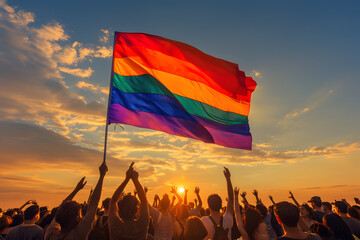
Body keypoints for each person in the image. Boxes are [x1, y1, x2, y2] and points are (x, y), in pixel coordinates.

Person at [45, 162, 107, 240]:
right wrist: (102, 176)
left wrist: (76, 190)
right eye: (80, 214)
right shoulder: (78, 235)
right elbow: (93, 205)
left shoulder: (50, 233)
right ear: (76, 218)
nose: (82, 217)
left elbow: (61, 208)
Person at [108, 162, 149, 240]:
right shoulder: (142, 225)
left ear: (119, 209)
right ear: (136, 210)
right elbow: (144, 201)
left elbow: (113, 201)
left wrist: (126, 179)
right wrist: (135, 180)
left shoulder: (115, 225)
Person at [201, 167, 234, 240]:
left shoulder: (204, 221)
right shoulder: (227, 220)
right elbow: (231, 199)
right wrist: (228, 179)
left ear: (209, 206)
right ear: (221, 205)